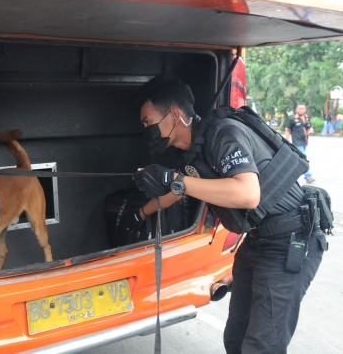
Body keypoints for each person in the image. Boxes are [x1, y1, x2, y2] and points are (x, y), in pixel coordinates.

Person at [130, 77, 327, 354]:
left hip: (290, 242)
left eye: (148, 122)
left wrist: (173, 178)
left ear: (174, 115)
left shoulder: (223, 132)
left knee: (261, 347)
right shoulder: (195, 151)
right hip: (258, 242)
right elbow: (177, 190)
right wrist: (140, 213)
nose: (146, 130)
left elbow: (248, 193)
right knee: (236, 340)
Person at [285, 103, 315, 183]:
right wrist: (287, 141)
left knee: (297, 160)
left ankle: (288, 175)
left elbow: (310, 127)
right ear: (296, 109)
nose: (301, 110)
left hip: (305, 142)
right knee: (303, 159)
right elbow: (287, 129)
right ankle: (308, 177)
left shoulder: (307, 118)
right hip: (297, 142)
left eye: (303, 108)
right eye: (299, 108)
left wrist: (311, 131)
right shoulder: (293, 119)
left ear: (305, 109)